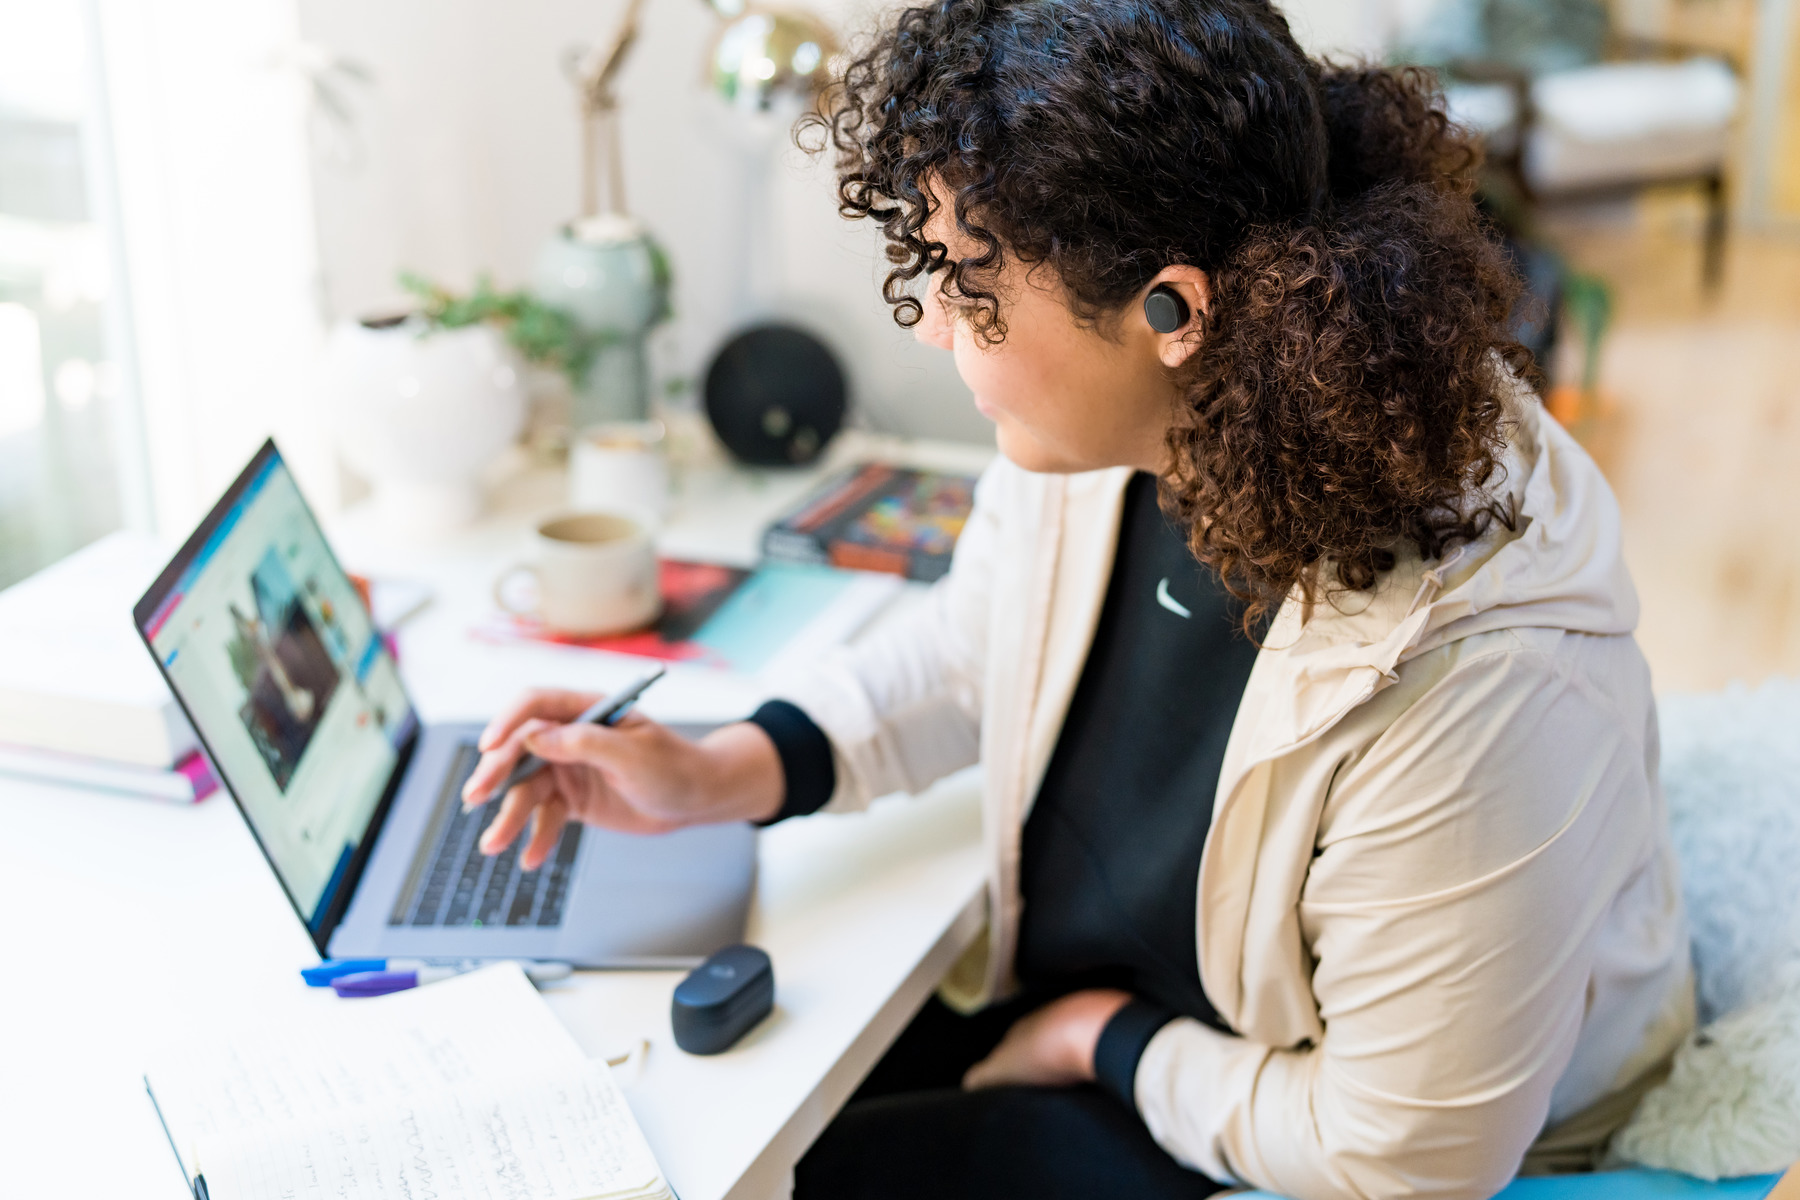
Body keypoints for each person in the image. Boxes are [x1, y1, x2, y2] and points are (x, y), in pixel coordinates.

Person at [461, 2, 1693, 1196]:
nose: (936, 325)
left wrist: (1099, 1044)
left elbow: (1400, 1155)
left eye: (971, 281)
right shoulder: (1128, 428)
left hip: (1280, 1111)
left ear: (1175, 309)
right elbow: (974, 649)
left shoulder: (1483, 670)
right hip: (1127, 1000)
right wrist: (720, 769)